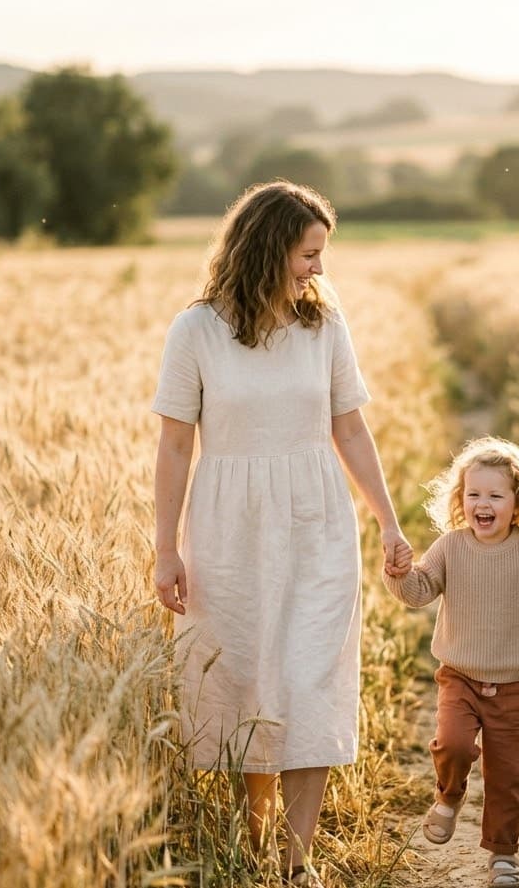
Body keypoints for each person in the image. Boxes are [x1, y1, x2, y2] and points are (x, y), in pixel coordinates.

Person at [152, 180, 412, 887]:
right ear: (268, 248)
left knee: (309, 676)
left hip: (317, 520)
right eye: (309, 253)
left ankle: (297, 861)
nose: (319, 269)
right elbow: (175, 446)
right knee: (244, 679)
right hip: (228, 525)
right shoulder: (196, 330)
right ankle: (256, 842)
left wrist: (387, 521)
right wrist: (165, 547)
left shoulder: (324, 326)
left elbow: (350, 427)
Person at [383, 437, 519, 888]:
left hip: (516, 686)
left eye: (494, 495)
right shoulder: (451, 547)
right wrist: (400, 573)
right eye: (472, 494)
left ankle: (502, 855)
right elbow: (420, 591)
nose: (481, 504)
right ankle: (448, 797)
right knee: (453, 744)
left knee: (509, 776)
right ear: (459, 500)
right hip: (460, 678)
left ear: (518, 502)